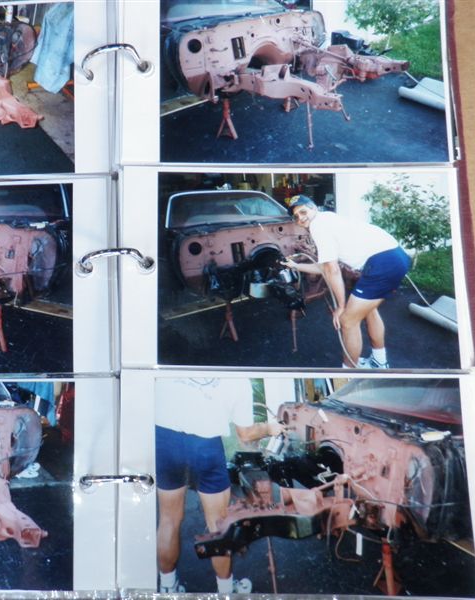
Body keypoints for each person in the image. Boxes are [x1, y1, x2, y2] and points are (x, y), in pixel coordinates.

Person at [155, 379, 284, 594]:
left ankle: (167, 587)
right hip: (206, 446)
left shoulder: (173, 361)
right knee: (218, 525)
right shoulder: (237, 380)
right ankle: (225, 590)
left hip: (165, 441)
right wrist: (270, 428)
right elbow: (246, 434)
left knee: (168, 519)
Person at [281, 195, 411, 369]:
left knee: (347, 321)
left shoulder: (318, 225)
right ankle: (380, 362)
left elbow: (332, 270)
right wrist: (296, 266)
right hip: (395, 256)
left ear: (313, 208)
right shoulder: (327, 218)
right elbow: (325, 267)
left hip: (383, 263)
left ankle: (349, 373)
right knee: (369, 310)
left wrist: (340, 307)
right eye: (296, 217)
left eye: (303, 212)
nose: (300, 218)